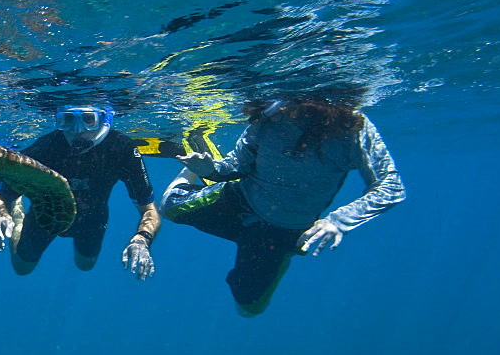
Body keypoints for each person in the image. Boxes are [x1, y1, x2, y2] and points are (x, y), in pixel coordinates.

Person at [160, 98, 405, 316]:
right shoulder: (267, 116)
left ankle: (280, 249)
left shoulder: (353, 127)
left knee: (250, 307)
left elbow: (391, 187)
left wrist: (338, 221)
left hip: (282, 231)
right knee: (168, 207)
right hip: (239, 201)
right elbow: (236, 166)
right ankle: (192, 157)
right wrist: (208, 170)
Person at [0, 105, 160, 280]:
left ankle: (19, 192)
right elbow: (0, 194)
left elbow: (149, 209)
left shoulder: (122, 149)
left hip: (92, 218)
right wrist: (4, 215)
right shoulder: (45, 147)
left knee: (86, 265)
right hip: (46, 216)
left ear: (103, 119)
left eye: (88, 119)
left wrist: (142, 239)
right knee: (22, 268)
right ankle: (19, 210)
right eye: (68, 120)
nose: (77, 130)